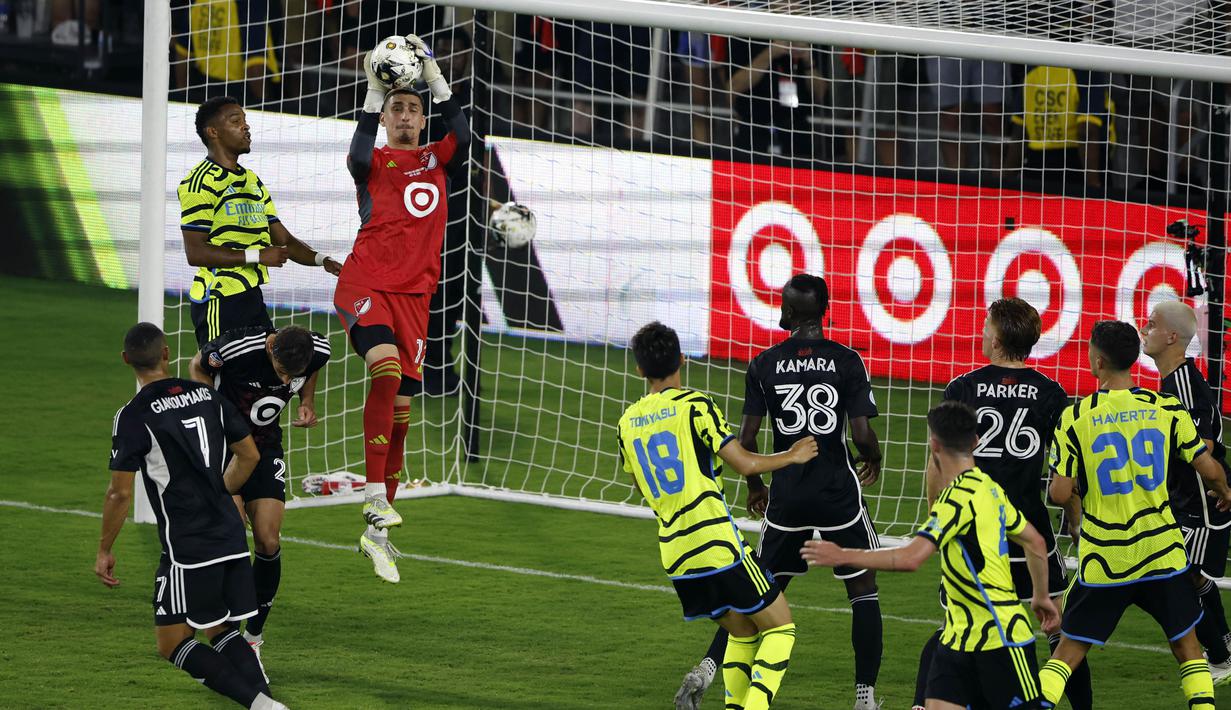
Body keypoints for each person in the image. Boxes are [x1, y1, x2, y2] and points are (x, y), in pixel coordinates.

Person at [676, 274, 885, 710]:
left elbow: (746, 439)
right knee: (863, 591)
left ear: (790, 312)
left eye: (784, 304)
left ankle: (708, 669)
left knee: (754, 591)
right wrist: (875, 458)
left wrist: (756, 485)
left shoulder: (764, 363)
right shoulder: (847, 359)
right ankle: (865, 699)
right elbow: (862, 433)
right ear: (824, 311)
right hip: (838, 498)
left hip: (787, 497)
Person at [802, 401, 1061, 710]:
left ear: (934, 445)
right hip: (955, 640)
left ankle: (1058, 674)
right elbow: (1035, 541)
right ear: (976, 442)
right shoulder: (990, 489)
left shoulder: (955, 501)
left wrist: (842, 553)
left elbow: (912, 558)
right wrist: (1041, 596)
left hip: (999, 640)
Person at [618, 321, 819, 710]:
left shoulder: (627, 423)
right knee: (782, 629)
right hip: (717, 544)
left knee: (743, 632)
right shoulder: (694, 405)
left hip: (675, 554)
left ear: (639, 369)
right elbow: (743, 463)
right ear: (681, 358)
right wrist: (791, 455)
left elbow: (640, 485)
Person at [333, 34, 470, 583]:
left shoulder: (438, 159)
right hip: (366, 281)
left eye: (414, 109)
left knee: (403, 415)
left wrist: (434, 76)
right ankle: (371, 496)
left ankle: (377, 536)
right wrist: (373, 90)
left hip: (416, 297)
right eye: (399, 109)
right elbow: (357, 149)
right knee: (385, 372)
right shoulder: (373, 162)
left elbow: (463, 135)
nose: (407, 116)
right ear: (387, 118)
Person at [910, 298, 1091, 710]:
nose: (981, 331)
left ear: (997, 336)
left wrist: (939, 518)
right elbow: (1067, 470)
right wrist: (1075, 516)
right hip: (1030, 533)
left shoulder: (963, 388)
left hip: (974, 534)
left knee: (954, 628)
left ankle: (926, 703)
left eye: (985, 324)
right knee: (1062, 635)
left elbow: (936, 463)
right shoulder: (1052, 394)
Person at [1040, 320, 1231, 708]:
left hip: (1106, 557)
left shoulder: (1075, 417)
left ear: (1097, 362)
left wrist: (1077, 512)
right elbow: (1206, 465)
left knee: (1066, 655)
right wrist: (1224, 490)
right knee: (1188, 648)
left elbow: (1059, 492)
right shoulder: (1166, 408)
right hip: (1162, 551)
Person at [96, 323, 287, 709]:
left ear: (125, 360)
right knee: (222, 629)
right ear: (166, 353)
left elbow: (119, 492)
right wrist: (223, 490)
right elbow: (249, 454)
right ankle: (266, 704)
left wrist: (104, 549)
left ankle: (264, 706)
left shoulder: (133, 415)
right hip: (231, 533)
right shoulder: (206, 395)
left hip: (188, 544)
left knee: (172, 642)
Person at [189, 325, 330, 671]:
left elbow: (312, 368)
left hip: (266, 449)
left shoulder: (317, 349)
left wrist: (307, 401)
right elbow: (197, 367)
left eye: (292, 377)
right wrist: (212, 418)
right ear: (270, 348)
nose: (285, 382)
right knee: (233, 536)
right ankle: (221, 630)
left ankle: (252, 639)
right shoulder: (237, 348)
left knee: (268, 540)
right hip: (227, 449)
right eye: (282, 373)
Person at [179, 96, 342, 348]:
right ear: (213, 132)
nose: (246, 127)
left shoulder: (252, 181)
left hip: (251, 297)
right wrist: (257, 256)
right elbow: (196, 252)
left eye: (245, 121)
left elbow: (284, 240)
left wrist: (323, 260)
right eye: (236, 121)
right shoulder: (200, 182)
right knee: (224, 383)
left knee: (287, 368)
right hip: (219, 300)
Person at [1141, 301, 1231, 682]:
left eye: (1152, 323)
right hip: (1188, 495)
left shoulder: (1180, 383)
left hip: (1203, 500)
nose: (1144, 328)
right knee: (1191, 575)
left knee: (1180, 575)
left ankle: (1220, 656)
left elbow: (1203, 446)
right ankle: (1222, 645)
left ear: (1172, 336)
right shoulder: (1173, 379)